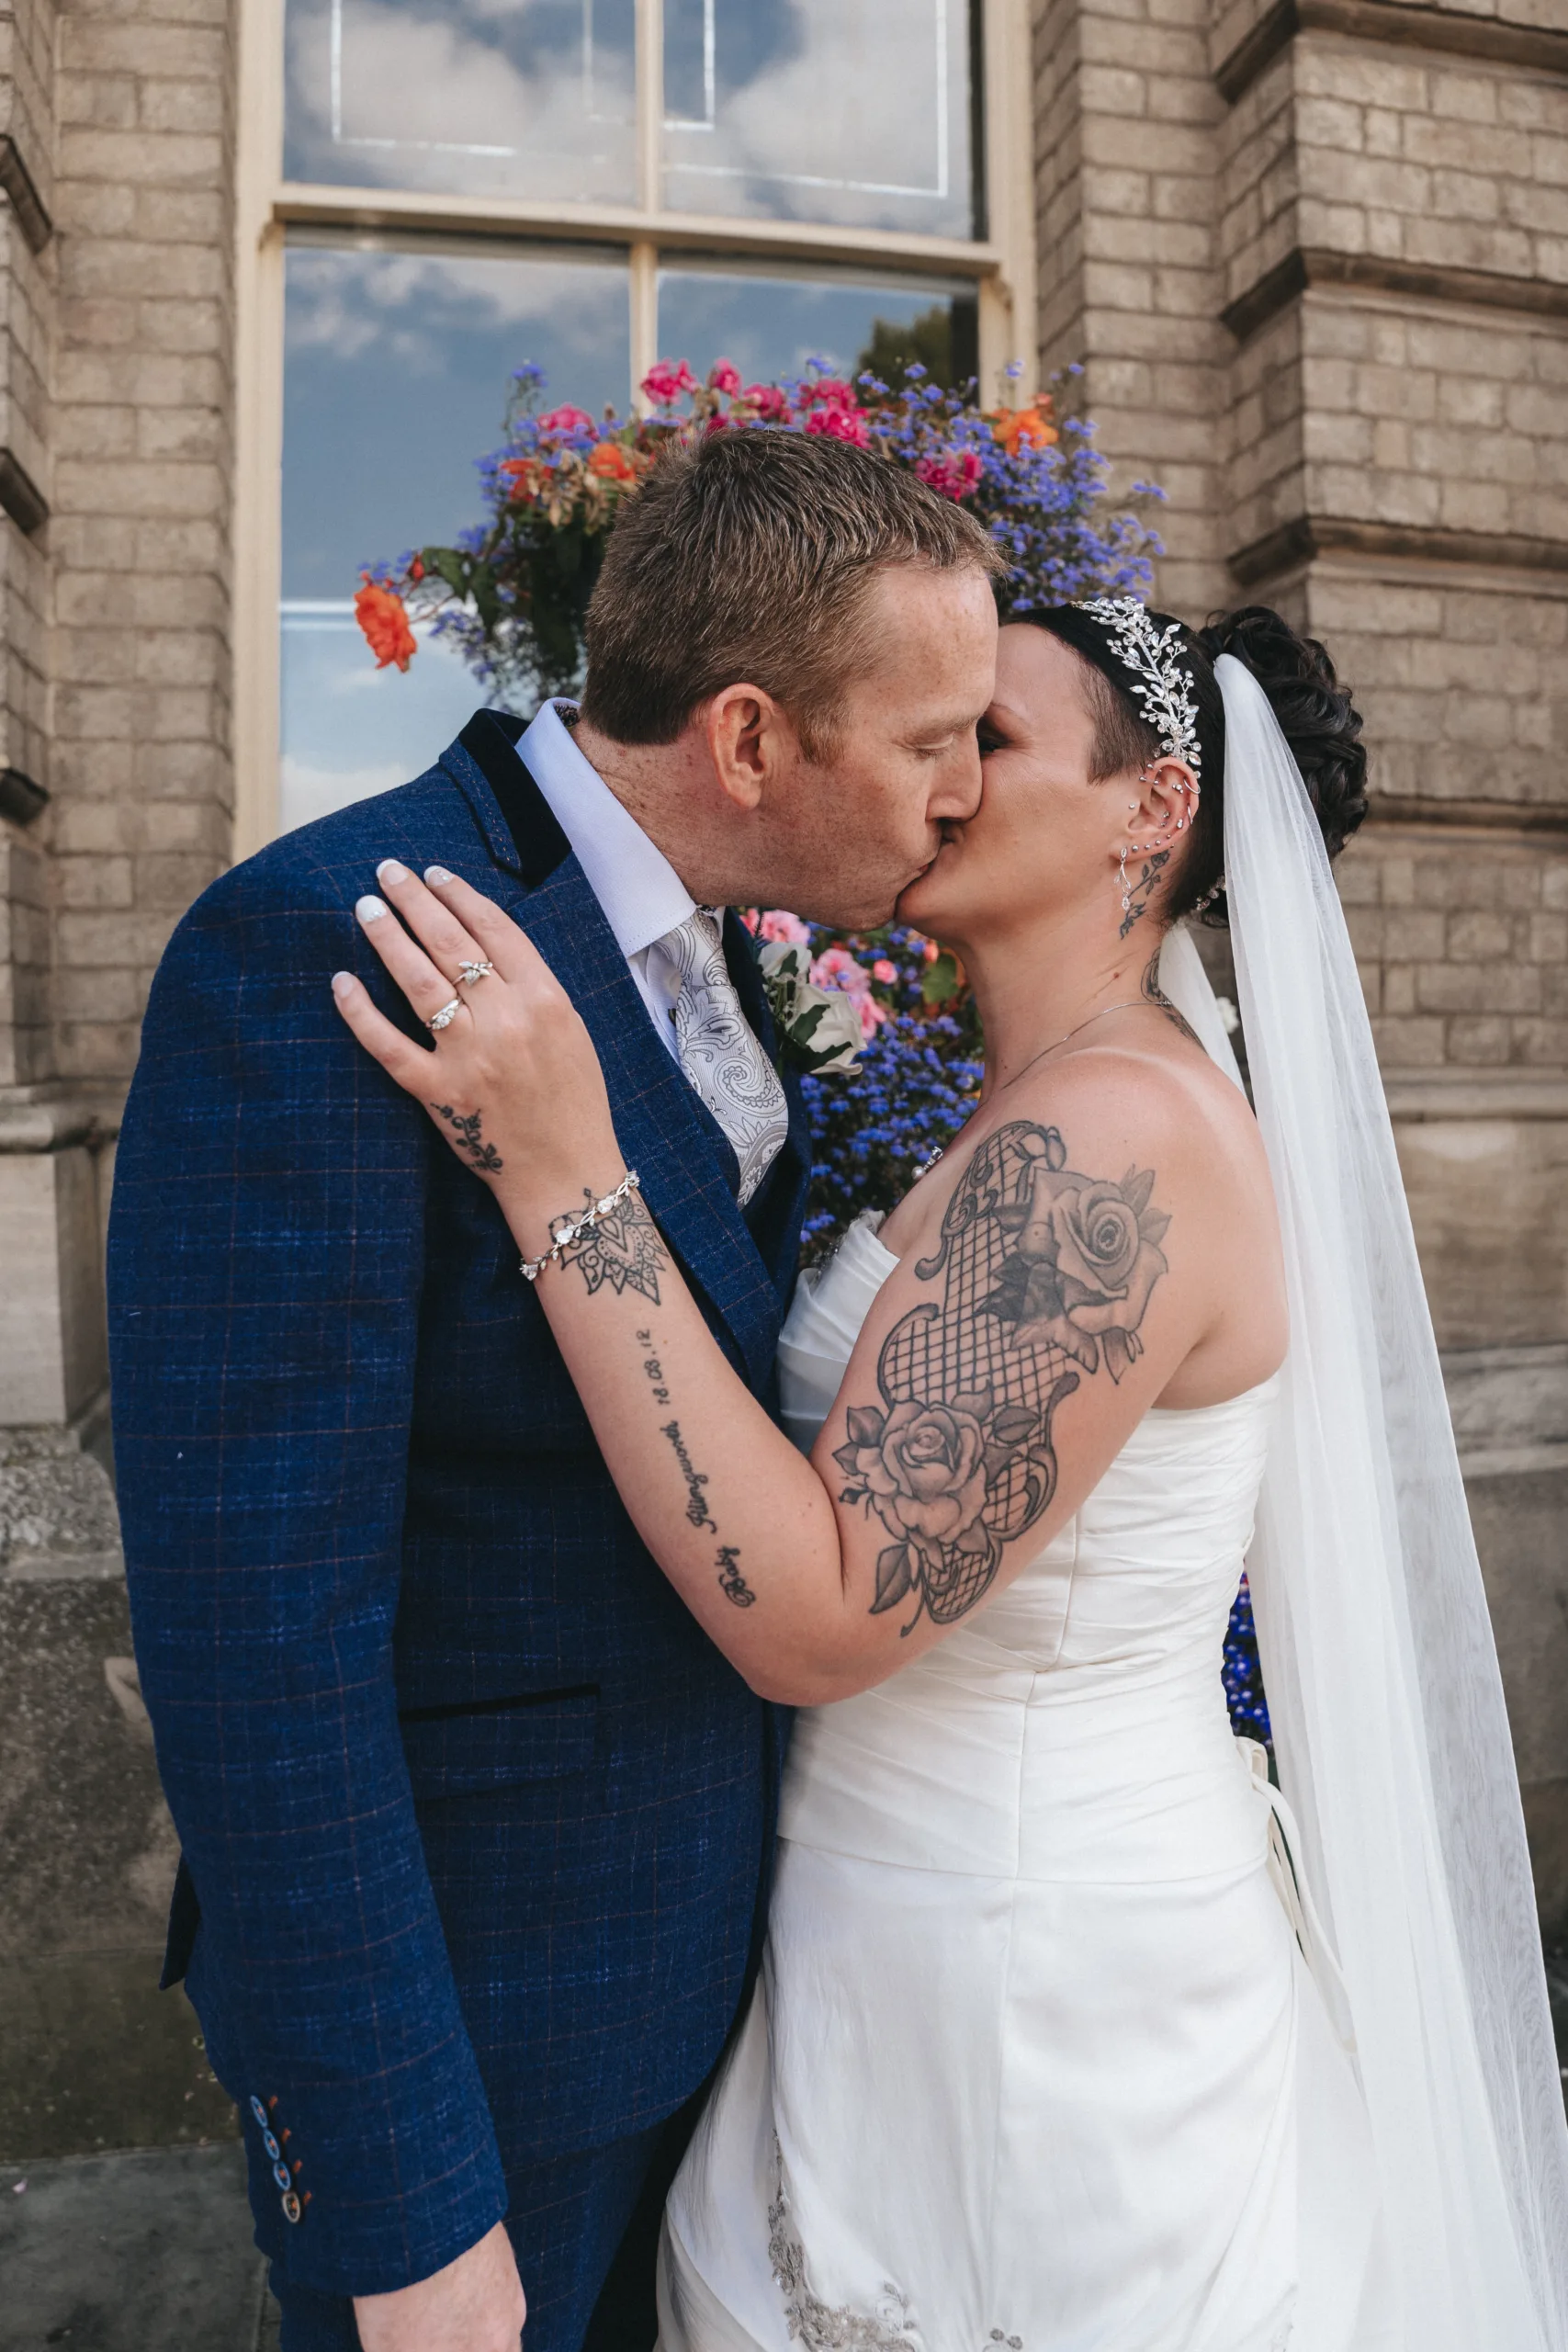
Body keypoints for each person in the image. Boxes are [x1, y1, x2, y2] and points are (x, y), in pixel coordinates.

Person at [333, 596, 1568, 2350]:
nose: (933, 776)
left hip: (1024, 1975)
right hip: (888, 1923)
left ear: (1151, 811)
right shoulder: (1039, 1107)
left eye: (988, 739)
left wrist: (559, 1171)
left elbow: (828, 1613)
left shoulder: (1113, 1146)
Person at [105, 427, 1002, 2352]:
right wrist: (404, 2202)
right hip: (480, 2058)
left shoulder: (723, 961)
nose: (966, 785)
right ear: (751, 742)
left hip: (698, 2002)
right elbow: (262, 1650)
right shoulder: (322, 949)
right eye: (934, 734)